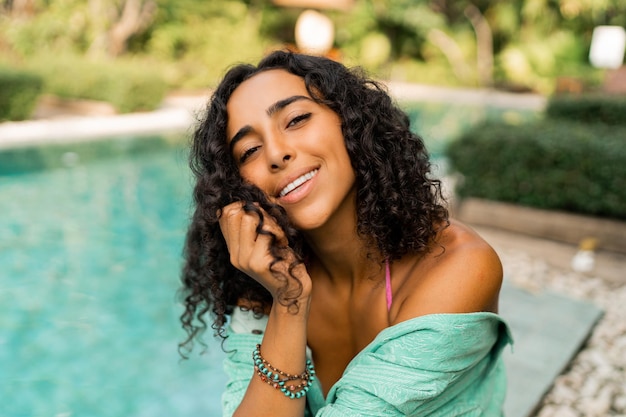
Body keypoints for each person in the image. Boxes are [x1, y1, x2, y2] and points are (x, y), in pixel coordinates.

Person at [179, 50, 512, 417]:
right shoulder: (265, 284)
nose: (276, 154)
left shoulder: (458, 268)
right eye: (250, 150)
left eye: (297, 119)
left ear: (351, 124)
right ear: (236, 188)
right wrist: (288, 302)